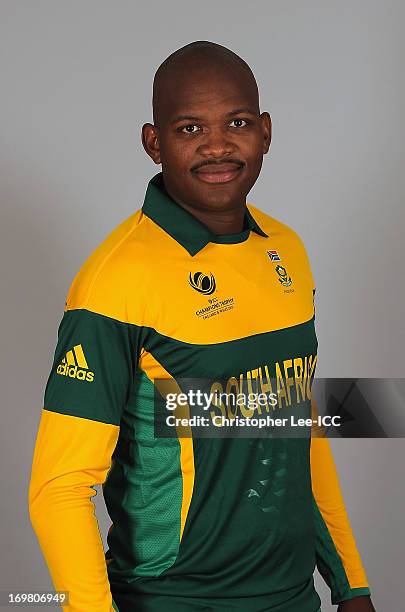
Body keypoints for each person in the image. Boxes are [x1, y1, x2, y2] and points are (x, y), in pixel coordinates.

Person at [28, 41, 376, 612]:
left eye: (236, 122)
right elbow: (59, 488)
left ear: (265, 131)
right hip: (171, 600)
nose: (218, 145)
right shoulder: (117, 280)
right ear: (153, 142)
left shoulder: (288, 251)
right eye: (190, 128)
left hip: (292, 598)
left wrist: (350, 582)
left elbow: (299, 428)